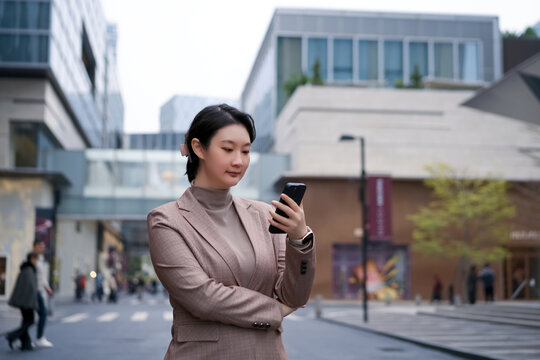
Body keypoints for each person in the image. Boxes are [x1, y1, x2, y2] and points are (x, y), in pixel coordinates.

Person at [147, 104, 316, 359]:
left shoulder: (262, 215)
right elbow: (203, 296)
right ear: (198, 148)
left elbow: (294, 294)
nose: (239, 161)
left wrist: (298, 238)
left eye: (246, 151)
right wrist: (276, 311)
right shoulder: (167, 221)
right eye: (227, 149)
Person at [5, 252, 40, 351]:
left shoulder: (25, 269)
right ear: (32, 259)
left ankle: (26, 344)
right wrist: (34, 303)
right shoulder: (29, 270)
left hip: (23, 301)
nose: (37, 262)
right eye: (36, 259)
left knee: (26, 321)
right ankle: (12, 335)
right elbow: (31, 288)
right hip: (27, 303)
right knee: (30, 321)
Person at [32, 239, 53, 347]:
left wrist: (47, 287)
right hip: (34, 291)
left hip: (38, 290)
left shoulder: (40, 258)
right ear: (35, 246)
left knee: (29, 317)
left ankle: (23, 339)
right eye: (41, 246)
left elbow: (42, 276)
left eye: (44, 247)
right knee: (42, 314)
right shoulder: (32, 258)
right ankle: (39, 338)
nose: (43, 248)